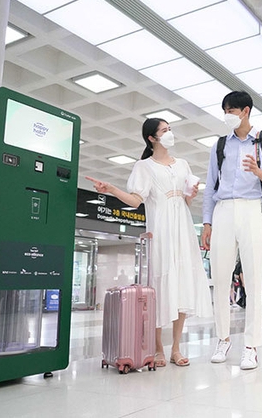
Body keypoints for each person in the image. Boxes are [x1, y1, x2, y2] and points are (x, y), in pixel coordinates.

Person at [86, 118, 213, 367]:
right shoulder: (144, 166)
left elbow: (186, 201)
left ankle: (176, 348)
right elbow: (136, 200)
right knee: (159, 286)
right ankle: (157, 349)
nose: (170, 134)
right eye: (165, 131)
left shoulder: (183, 164)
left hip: (183, 229)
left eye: (170, 129)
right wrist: (111, 189)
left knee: (182, 284)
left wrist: (191, 195)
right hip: (161, 230)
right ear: (152, 138)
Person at [201, 91, 262, 370]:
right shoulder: (220, 145)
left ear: (245, 111)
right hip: (223, 209)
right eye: (225, 111)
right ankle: (222, 339)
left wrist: (259, 173)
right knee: (220, 277)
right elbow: (210, 186)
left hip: (252, 209)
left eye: (231, 111)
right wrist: (207, 222)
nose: (227, 115)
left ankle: (251, 346)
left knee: (253, 277)